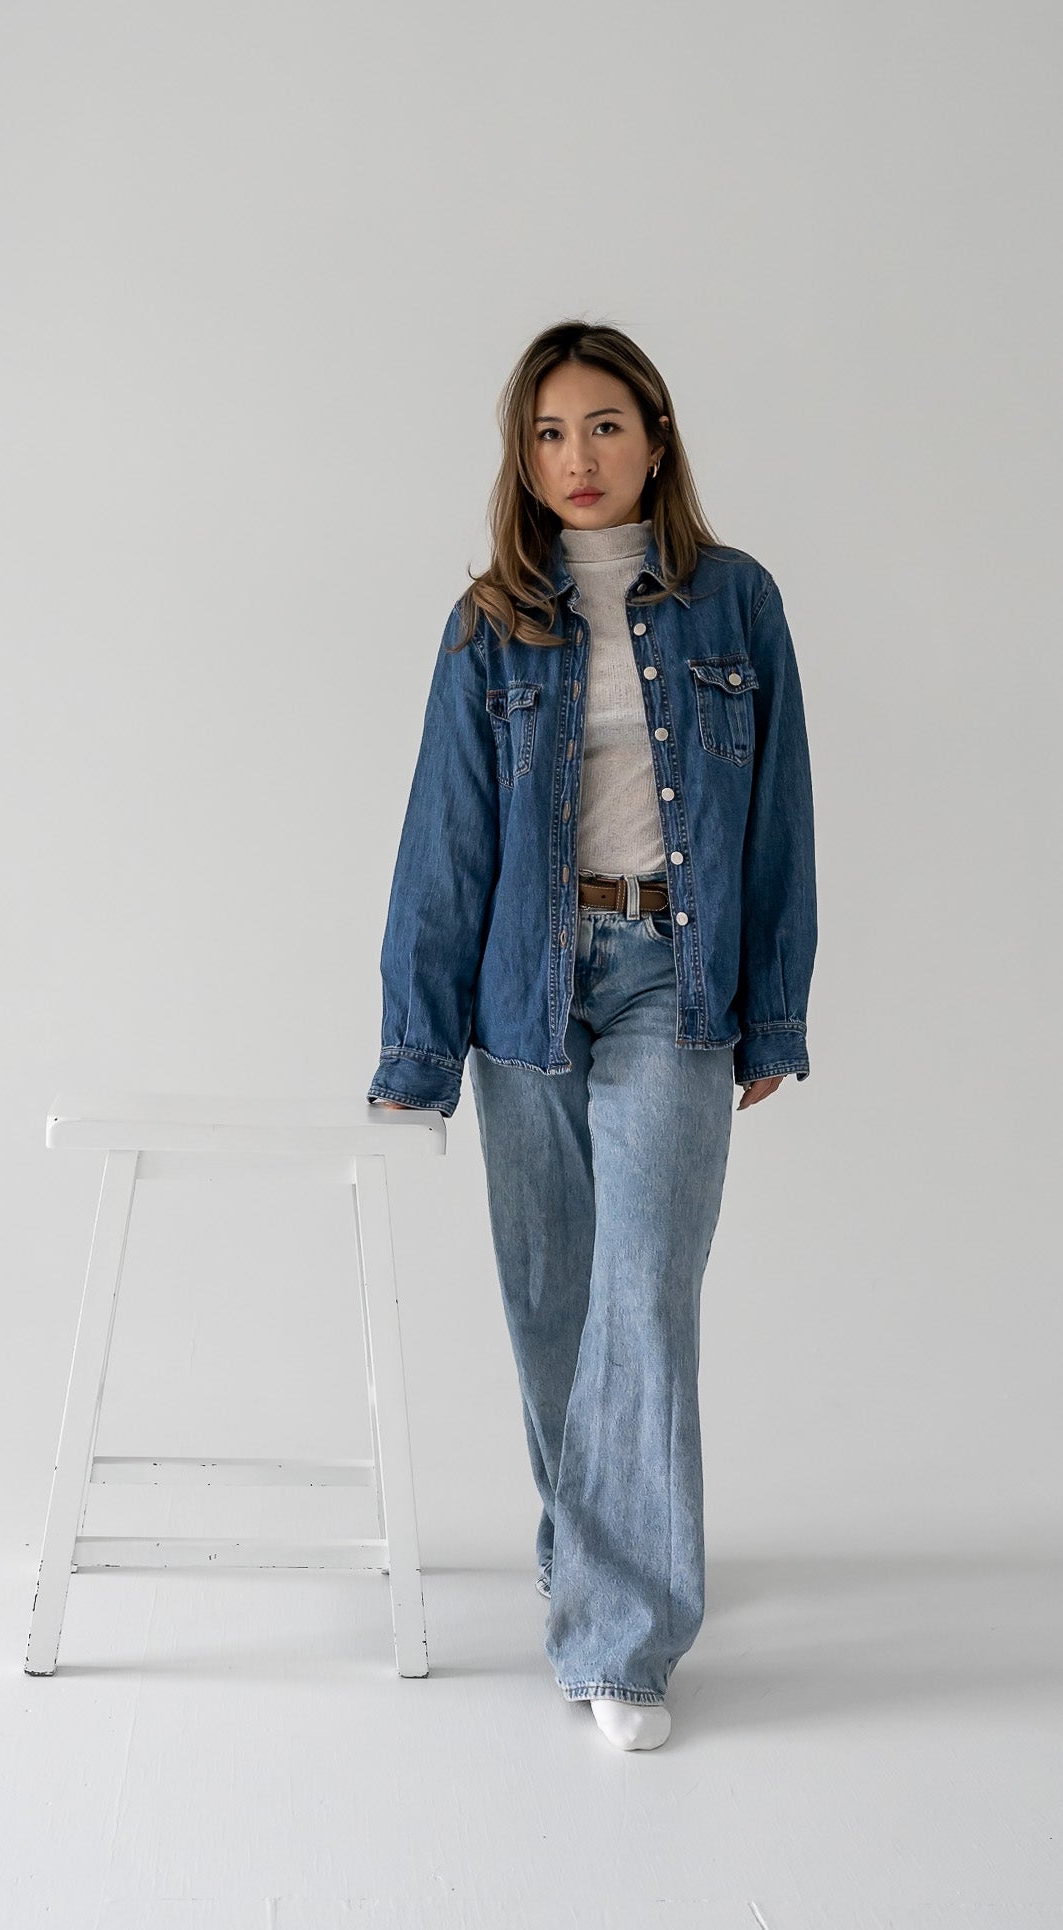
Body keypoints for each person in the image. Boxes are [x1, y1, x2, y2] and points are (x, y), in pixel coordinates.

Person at [365, 319, 818, 1752]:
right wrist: (415, 1051)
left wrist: (774, 1008)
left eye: (605, 425)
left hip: (674, 981)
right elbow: (444, 841)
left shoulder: (736, 603)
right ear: (524, 455)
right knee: (554, 1298)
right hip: (526, 986)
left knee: (643, 1295)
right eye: (551, 433)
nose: (579, 456)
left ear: (658, 435)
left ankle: (620, 1643)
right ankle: (591, 1550)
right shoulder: (490, 619)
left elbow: (781, 823)